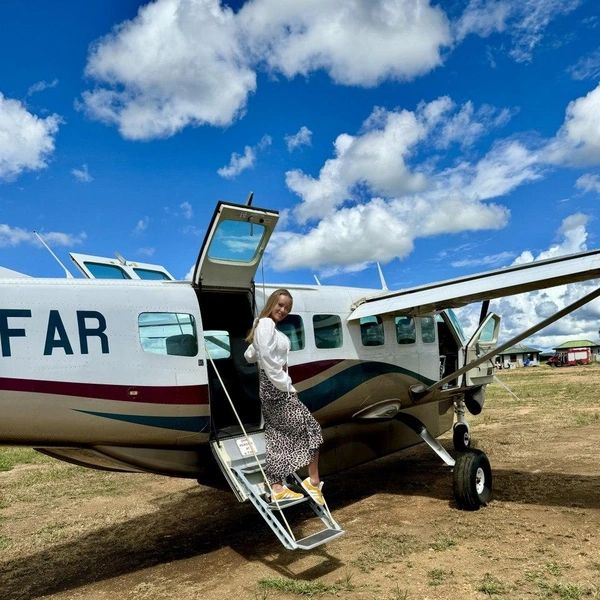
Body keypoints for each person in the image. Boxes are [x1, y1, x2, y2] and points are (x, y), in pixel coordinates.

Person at [244, 288, 325, 505]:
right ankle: (313, 482)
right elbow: (269, 361)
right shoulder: (266, 324)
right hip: (276, 387)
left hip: (270, 387)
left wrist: (257, 339)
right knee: (312, 429)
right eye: (280, 305)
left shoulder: (265, 326)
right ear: (271, 303)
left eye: (287, 308)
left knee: (278, 437)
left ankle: (277, 487)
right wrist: (287, 386)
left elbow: (250, 356)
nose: (283, 310)